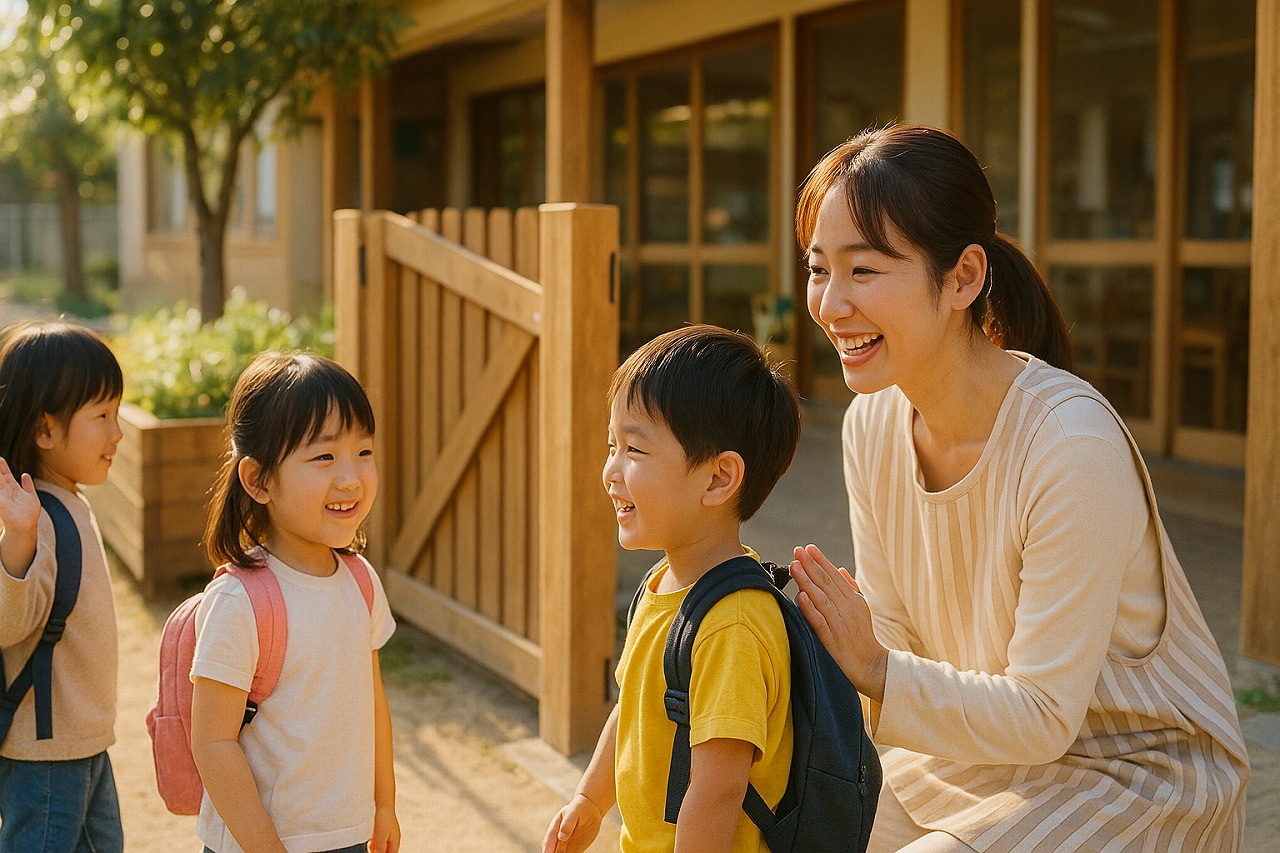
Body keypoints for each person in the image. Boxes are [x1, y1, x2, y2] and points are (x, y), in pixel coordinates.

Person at [789, 123, 1249, 852]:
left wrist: (871, 664)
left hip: (1136, 775)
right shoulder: (870, 425)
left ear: (963, 278)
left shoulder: (1070, 444)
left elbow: (1039, 712)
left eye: (865, 270)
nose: (831, 304)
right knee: (799, 826)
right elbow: (897, 644)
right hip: (978, 759)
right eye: (819, 269)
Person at [543, 325, 802, 853]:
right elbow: (633, 712)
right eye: (611, 445)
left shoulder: (732, 625)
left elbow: (717, 790)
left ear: (717, 479)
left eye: (634, 449)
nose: (610, 471)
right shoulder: (664, 584)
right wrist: (590, 802)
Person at [190, 352, 400, 853]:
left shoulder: (361, 582)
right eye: (324, 457)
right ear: (258, 480)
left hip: (348, 836)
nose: (350, 477)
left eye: (363, 452)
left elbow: (372, 704)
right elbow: (212, 742)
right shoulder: (238, 601)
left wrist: (384, 804)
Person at [0, 322, 126, 852]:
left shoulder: (70, 502)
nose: (117, 433)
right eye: (102, 417)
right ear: (45, 430)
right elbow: (10, 624)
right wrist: (20, 539)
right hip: (45, 754)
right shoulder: (38, 515)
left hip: (86, 743)